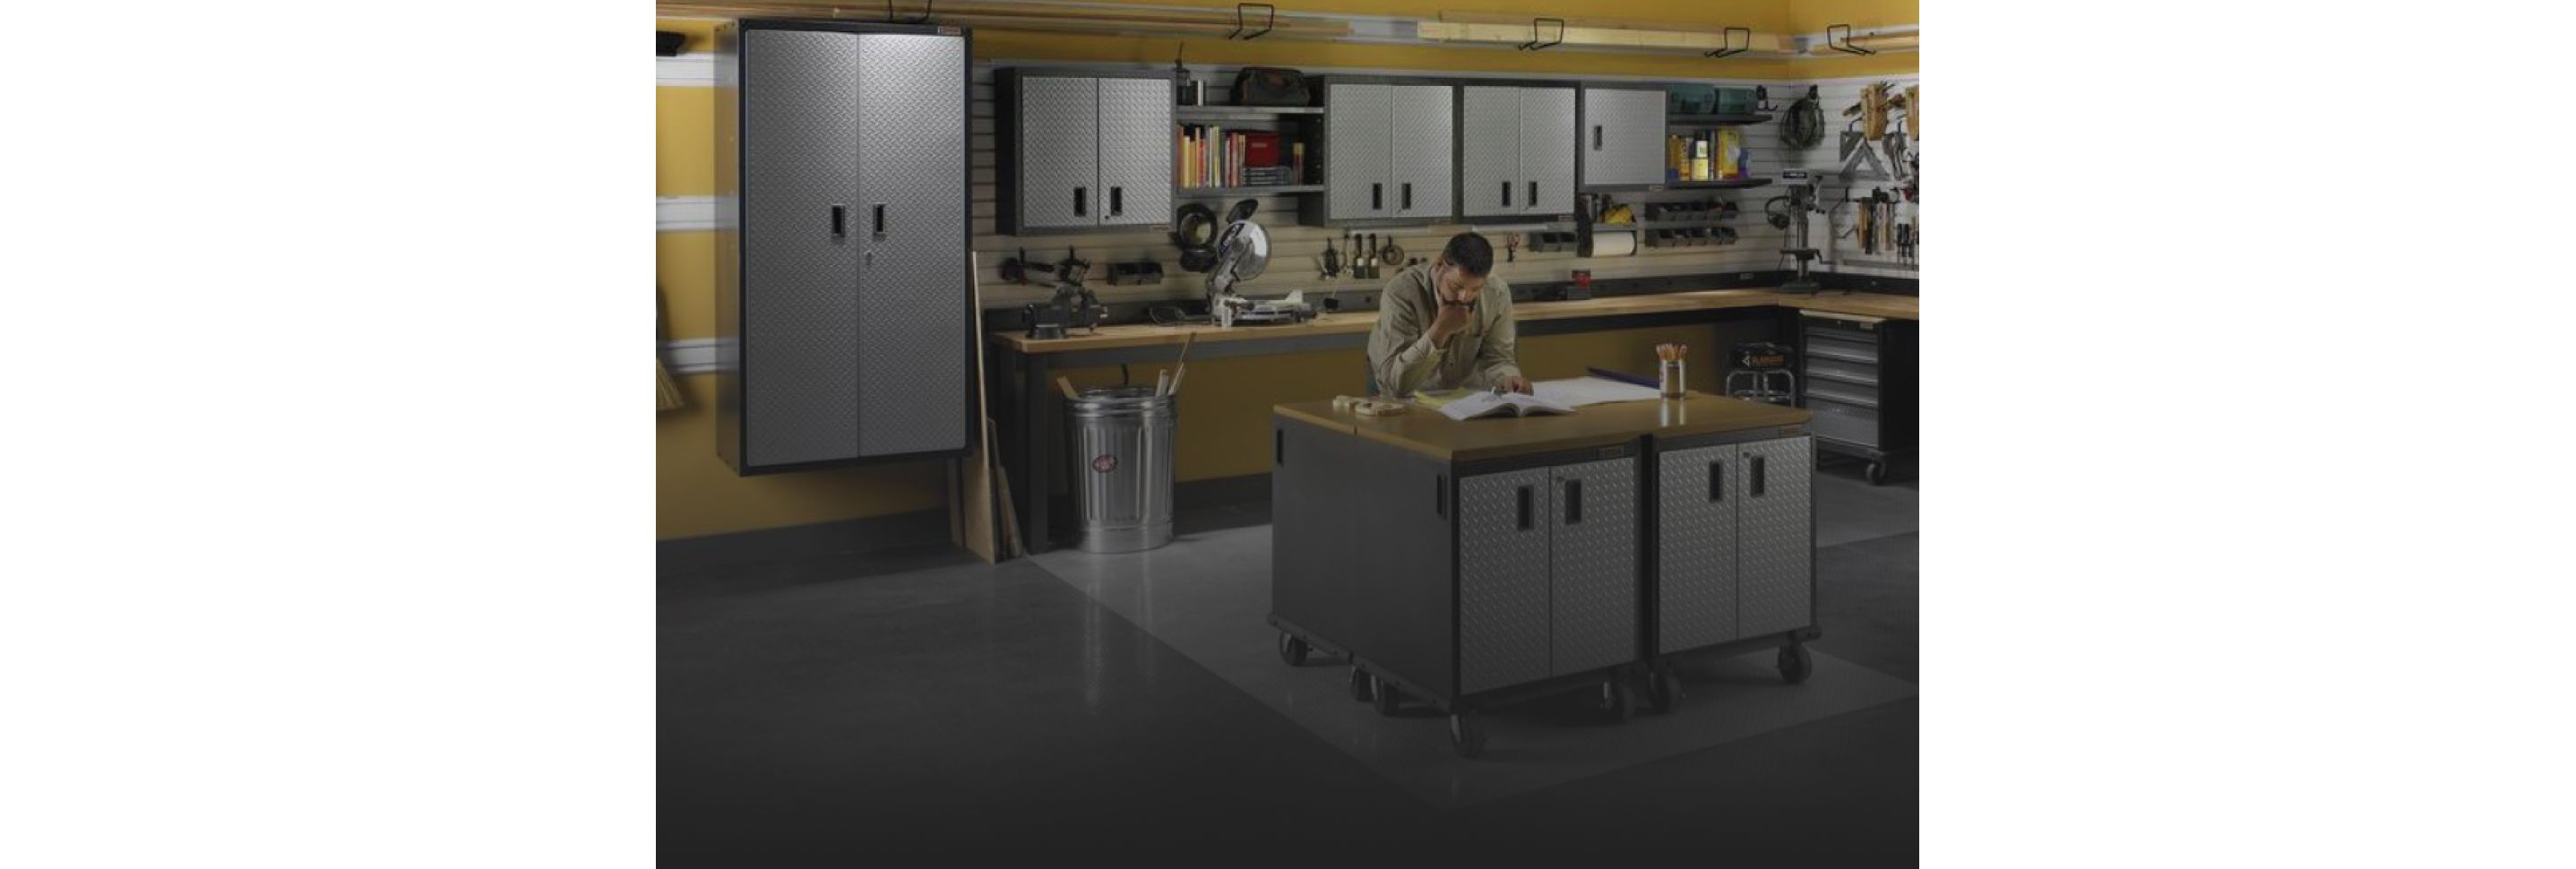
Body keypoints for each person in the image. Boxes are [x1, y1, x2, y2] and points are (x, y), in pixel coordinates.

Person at [1366, 232, 1529, 398]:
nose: (1465, 297)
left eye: (1475, 289)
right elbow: (1394, 386)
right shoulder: (1401, 292)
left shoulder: (1497, 293)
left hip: (1460, 400)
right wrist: (1440, 330)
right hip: (1406, 395)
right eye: (1456, 286)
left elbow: (1498, 358)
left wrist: (1508, 379)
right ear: (1439, 265)